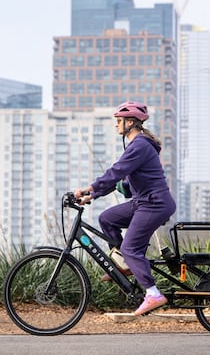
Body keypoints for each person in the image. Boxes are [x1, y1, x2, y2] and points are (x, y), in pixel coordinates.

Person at [74, 101, 176, 316]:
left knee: (131, 248)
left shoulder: (139, 145)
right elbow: (122, 181)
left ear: (130, 122)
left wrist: (90, 187)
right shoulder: (137, 145)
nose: (116, 125)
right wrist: (93, 194)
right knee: (107, 219)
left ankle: (153, 293)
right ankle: (125, 265)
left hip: (154, 204)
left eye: (118, 121)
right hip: (143, 202)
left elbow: (116, 171)